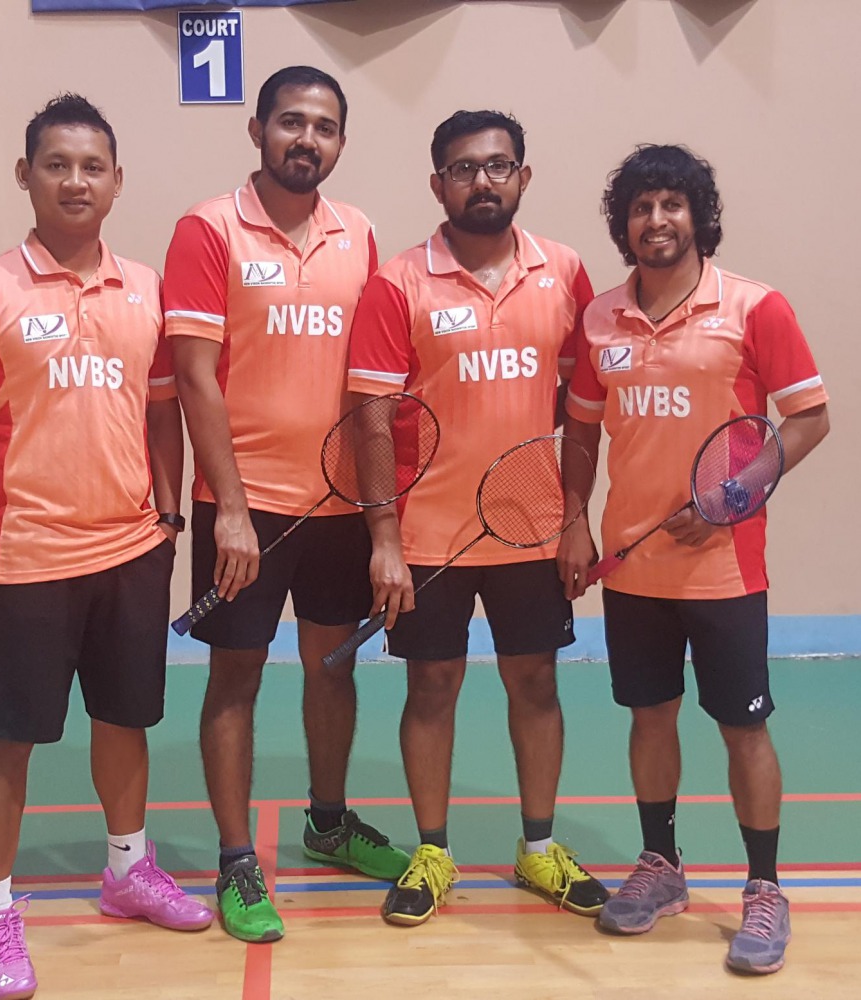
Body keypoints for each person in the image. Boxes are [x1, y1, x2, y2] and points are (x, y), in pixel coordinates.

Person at [0, 94, 211, 1000]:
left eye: (92, 167)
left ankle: (127, 869)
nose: (76, 180)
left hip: (131, 549)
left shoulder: (146, 288)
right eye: (56, 164)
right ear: (26, 176)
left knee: (125, 720)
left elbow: (163, 409)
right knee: (10, 737)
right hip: (28, 551)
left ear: (116, 182)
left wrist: (165, 516)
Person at [560, 144, 830, 974]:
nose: (656, 220)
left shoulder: (753, 307)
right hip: (632, 566)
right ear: (623, 224)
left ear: (697, 216)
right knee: (649, 717)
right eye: (640, 207)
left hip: (723, 567)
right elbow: (580, 431)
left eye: (670, 204)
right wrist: (573, 521)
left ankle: (763, 887)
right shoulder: (599, 318)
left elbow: (808, 418)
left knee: (742, 726)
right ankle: (660, 865)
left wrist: (731, 496)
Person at [162, 66, 410, 944]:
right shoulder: (208, 229)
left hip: (337, 505)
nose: (307, 139)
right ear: (258, 129)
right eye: (291, 121)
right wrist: (228, 508)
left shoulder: (360, 233)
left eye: (324, 126)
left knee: (332, 667)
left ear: (340, 141)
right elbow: (194, 377)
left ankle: (328, 823)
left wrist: (380, 517)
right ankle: (237, 860)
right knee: (235, 676)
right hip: (246, 506)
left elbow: (370, 381)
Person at [346, 109, 609, 926]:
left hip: (531, 526)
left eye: (497, 166)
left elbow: (583, 410)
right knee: (431, 685)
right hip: (429, 533)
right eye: (463, 169)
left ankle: (538, 848)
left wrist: (575, 517)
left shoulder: (564, 271)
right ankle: (432, 850)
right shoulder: (398, 282)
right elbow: (370, 419)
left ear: (522, 176)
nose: (482, 181)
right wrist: (383, 539)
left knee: (535, 682)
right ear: (438, 185)